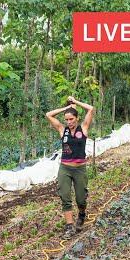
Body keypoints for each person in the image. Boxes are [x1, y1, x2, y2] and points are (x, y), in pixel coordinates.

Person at [46, 96, 94, 239]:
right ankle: (69, 226)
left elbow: (91, 109)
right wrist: (66, 108)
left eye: (71, 119)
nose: (69, 122)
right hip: (65, 168)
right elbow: (48, 115)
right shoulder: (62, 130)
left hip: (80, 169)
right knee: (65, 196)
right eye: (66, 119)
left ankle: (81, 214)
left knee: (80, 198)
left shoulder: (84, 128)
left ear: (77, 118)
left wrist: (75, 102)